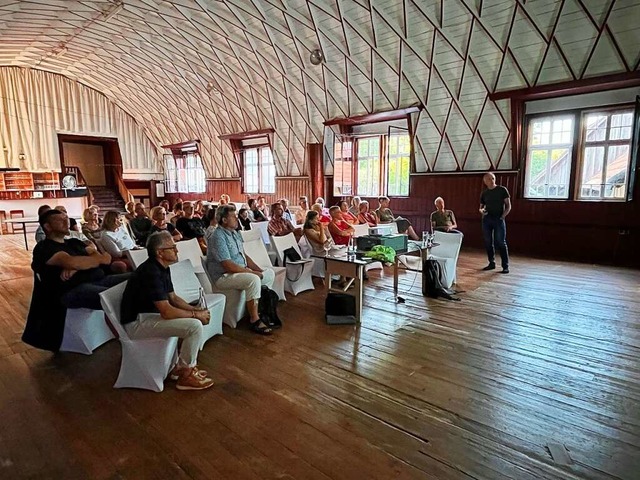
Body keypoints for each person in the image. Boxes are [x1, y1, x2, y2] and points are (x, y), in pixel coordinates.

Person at [23, 209, 129, 352]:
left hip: (98, 279)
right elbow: (73, 262)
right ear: (47, 227)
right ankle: (131, 333)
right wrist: (80, 264)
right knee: (113, 296)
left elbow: (106, 257)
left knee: (136, 278)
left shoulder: (73, 243)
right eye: (60, 220)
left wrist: (79, 267)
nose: (66, 222)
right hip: (71, 291)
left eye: (67, 218)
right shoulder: (44, 248)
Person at [120, 231, 214, 391]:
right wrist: (196, 315)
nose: (177, 250)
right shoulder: (151, 271)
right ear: (160, 252)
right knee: (194, 326)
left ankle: (182, 369)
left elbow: (173, 298)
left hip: (148, 316)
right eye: (173, 247)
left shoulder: (162, 267)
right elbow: (167, 311)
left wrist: (196, 309)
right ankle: (186, 375)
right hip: (137, 323)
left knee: (195, 322)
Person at [205, 204, 275, 335]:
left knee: (269, 274)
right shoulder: (218, 236)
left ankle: (261, 309)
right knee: (253, 279)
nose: (237, 219)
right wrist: (252, 272)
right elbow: (227, 265)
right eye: (233, 216)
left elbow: (244, 256)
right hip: (223, 276)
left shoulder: (234, 234)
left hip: (238, 271)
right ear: (224, 220)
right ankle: (254, 320)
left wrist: (259, 270)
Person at [480, 172, 511, 273]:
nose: (491, 180)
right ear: (485, 181)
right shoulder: (484, 193)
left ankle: (505, 266)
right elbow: (481, 207)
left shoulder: (502, 190)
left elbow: (508, 205)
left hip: (498, 219)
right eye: (489, 179)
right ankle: (491, 263)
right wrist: (482, 211)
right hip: (487, 219)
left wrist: (503, 216)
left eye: (493, 178)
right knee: (488, 242)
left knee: (501, 242)